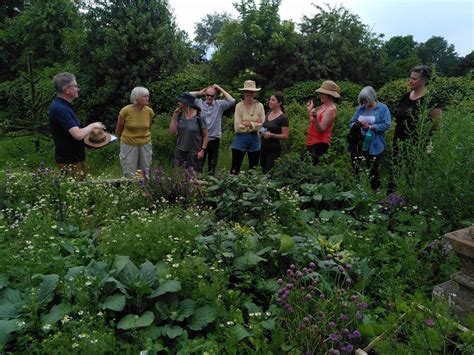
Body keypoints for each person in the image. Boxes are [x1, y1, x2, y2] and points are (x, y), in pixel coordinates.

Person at [389, 65, 442, 191]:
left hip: (416, 144)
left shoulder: (431, 99)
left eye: (414, 78)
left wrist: (430, 143)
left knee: (411, 175)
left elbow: (436, 124)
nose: (410, 81)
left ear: (424, 80)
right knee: (395, 172)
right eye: (410, 77)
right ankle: (390, 202)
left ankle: (409, 204)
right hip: (399, 143)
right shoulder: (405, 97)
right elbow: (398, 119)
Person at [48, 72, 105, 180]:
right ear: (67, 89)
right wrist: (93, 125)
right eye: (75, 86)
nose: (78, 89)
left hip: (75, 158)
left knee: (80, 189)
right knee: (76, 191)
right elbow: (78, 135)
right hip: (69, 160)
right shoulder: (60, 109)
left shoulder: (64, 106)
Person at [348, 86, 391, 190]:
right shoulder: (360, 109)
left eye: (365, 100)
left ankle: (375, 191)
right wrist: (358, 124)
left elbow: (386, 125)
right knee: (357, 167)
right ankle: (358, 189)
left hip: (375, 144)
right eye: (362, 101)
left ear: (371, 97)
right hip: (359, 143)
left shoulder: (383, 108)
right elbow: (351, 123)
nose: (364, 103)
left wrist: (372, 127)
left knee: (373, 169)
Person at [189, 84, 235, 175]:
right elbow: (186, 96)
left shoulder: (219, 105)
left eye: (212, 96)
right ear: (205, 95)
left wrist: (220, 88)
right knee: (198, 165)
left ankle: (210, 184)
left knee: (212, 165)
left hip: (214, 139)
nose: (209, 97)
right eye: (207, 95)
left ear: (215, 96)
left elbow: (232, 101)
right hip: (201, 139)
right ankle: (197, 185)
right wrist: (200, 92)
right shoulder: (199, 103)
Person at [115, 87, 154, 177]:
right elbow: (118, 130)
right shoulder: (125, 111)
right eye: (144, 96)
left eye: (148, 96)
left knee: (145, 172)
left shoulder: (149, 111)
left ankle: (144, 190)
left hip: (145, 144)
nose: (147, 98)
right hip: (128, 143)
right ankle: (129, 190)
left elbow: (148, 127)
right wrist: (121, 141)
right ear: (136, 97)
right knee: (129, 173)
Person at [230, 80, 265, 174]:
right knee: (235, 166)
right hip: (240, 137)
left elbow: (262, 124)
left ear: (254, 93)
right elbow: (237, 126)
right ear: (244, 93)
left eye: (251, 92)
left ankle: (250, 187)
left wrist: (248, 123)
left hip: (255, 138)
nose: (249, 94)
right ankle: (232, 186)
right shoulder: (239, 106)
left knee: (253, 168)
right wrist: (254, 123)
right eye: (247, 91)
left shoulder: (259, 106)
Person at [169, 92, 208, 172]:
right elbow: (173, 131)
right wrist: (174, 116)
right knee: (177, 175)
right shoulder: (180, 115)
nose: (178, 103)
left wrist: (202, 150)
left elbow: (205, 135)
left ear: (186, 103)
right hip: (180, 151)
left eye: (180, 101)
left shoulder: (199, 116)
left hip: (194, 152)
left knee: (193, 176)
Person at [306, 80, 339, 165]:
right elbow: (313, 121)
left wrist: (315, 117)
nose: (320, 95)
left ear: (329, 95)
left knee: (310, 168)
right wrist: (310, 111)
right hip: (312, 141)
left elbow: (321, 129)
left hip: (320, 144)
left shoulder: (330, 109)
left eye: (322, 93)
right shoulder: (323, 106)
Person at [260, 91, 289, 173]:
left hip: (273, 149)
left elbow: (285, 136)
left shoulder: (283, 118)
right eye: (270, 99)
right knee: (262, 171)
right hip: (263, 146)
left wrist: (272, 135)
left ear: (279, 103)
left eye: (273, 100)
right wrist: (261, 131)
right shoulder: (268, 113)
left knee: (268, 172)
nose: (270, 101)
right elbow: (265, 128)